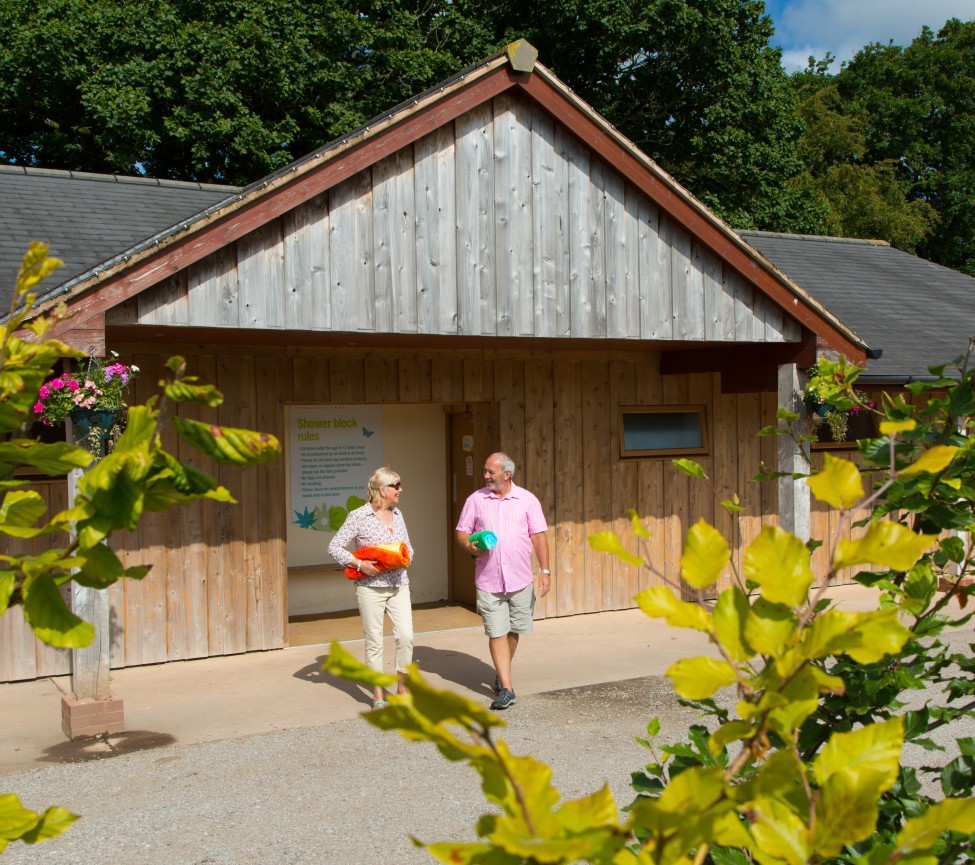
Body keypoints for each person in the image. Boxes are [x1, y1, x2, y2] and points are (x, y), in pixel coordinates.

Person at [454, 452, 551, 710]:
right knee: (496, 632)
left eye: (490, 472)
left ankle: (501, 671)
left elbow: (539, 536)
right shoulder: (476, 500)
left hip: (520, 579)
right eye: (485, 471)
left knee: (513, 630)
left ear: (507, 474)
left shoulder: (527, 500)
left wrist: (545, 571)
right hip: (488, 580)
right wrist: (470, 546)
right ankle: (507, 689)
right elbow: (462, 532)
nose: (485, 476)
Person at [329, 467, 414, 710]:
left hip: (399, 584)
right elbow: (334, 547)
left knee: (406, 637)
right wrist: (359, 564)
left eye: (399, 485)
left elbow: (409, 546)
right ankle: (378, 694)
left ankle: (402, 687)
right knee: (374, 640)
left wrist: (404, 558)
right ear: (382, 490)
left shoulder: (397, 514)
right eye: (396, 485)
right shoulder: (358, 516)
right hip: (370, 587)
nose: (400, 490)